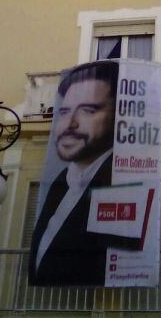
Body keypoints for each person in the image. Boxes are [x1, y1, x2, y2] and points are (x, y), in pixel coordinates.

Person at [29, 61, 141, 286]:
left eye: (88, 110)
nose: (70, 123)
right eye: (64, 111)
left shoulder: (122, 182)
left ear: (119, 117)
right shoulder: (60, 184)